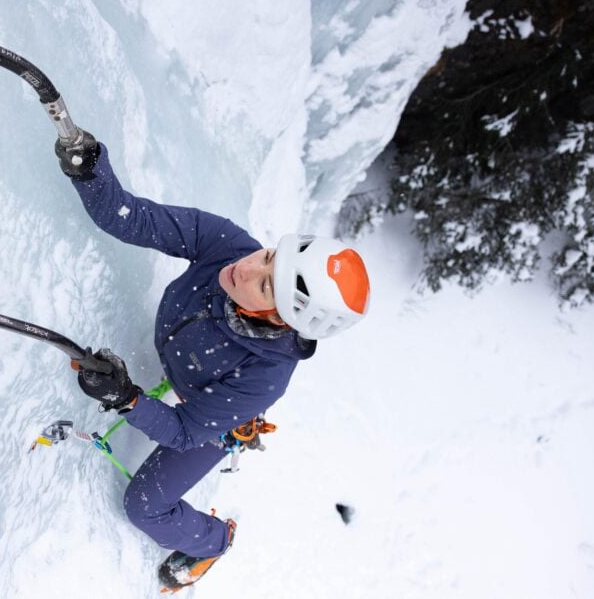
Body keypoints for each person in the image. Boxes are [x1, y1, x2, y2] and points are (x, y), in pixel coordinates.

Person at [54, 131, 370, 591]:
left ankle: (214, 543)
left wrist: (126, 398)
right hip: (188, 369)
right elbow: (132, 218)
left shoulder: (263, 379)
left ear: (280, 321)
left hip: (214, 420)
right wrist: (90, 170)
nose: (248, 267)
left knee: (144, 506)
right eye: (270, 257)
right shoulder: (230, 245)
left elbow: (185, 430)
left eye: (265, 286)